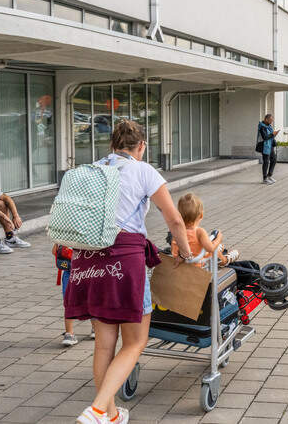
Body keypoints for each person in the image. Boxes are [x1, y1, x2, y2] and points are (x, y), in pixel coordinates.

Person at [68, 120, 193, 424]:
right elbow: (175, 220)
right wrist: (187, 253)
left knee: (104, 344)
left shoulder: (94, 169)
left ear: (112, 146)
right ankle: (98, 409)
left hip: (88, 258)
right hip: (124, 259)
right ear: (141, 147)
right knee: (136, 342)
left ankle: (109, 416)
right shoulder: (143, 170)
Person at [171, 192, 239, 267]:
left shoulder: (176, 231)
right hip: (198, 265)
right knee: (213, 247)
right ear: (201, 215)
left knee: (207, 245)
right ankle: (225, 260)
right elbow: (211, 248)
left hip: (181, 264)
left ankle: (219, 248)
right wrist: (219, 238)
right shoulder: (199, 232)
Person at [51, 243, 95, 346]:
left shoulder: (65, 235)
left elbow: (55, 251)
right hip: (89, 270)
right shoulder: (91, 233)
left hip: (70, 271)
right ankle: (96, 329)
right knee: (92, 299)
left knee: (69, 301)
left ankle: (69, 333)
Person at [257, 114, 279, 185]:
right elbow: (265, 137)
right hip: (265, 146)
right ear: (266, 119)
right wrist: (273, 134)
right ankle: (264, 179)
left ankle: (269, 176)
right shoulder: (262, 126)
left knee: (274, 160)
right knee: (266, 162)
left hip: (270, 146)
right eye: (270, 120)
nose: (271, 121)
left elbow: (270, 135)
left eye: (272, 120)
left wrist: (274, 134)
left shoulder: (269, 126)